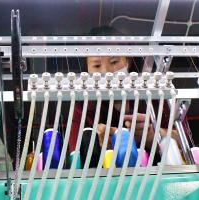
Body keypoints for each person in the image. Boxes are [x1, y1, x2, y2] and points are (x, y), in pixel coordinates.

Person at [68, 26, 180, 158]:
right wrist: (97, 147)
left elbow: (186, 143)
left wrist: (153, 135)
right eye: (97, 66)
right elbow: (75, 156)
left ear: (128, 60)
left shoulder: (156, 94)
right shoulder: (83, 107)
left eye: (114, 61)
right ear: (87, 70)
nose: (106, 72)